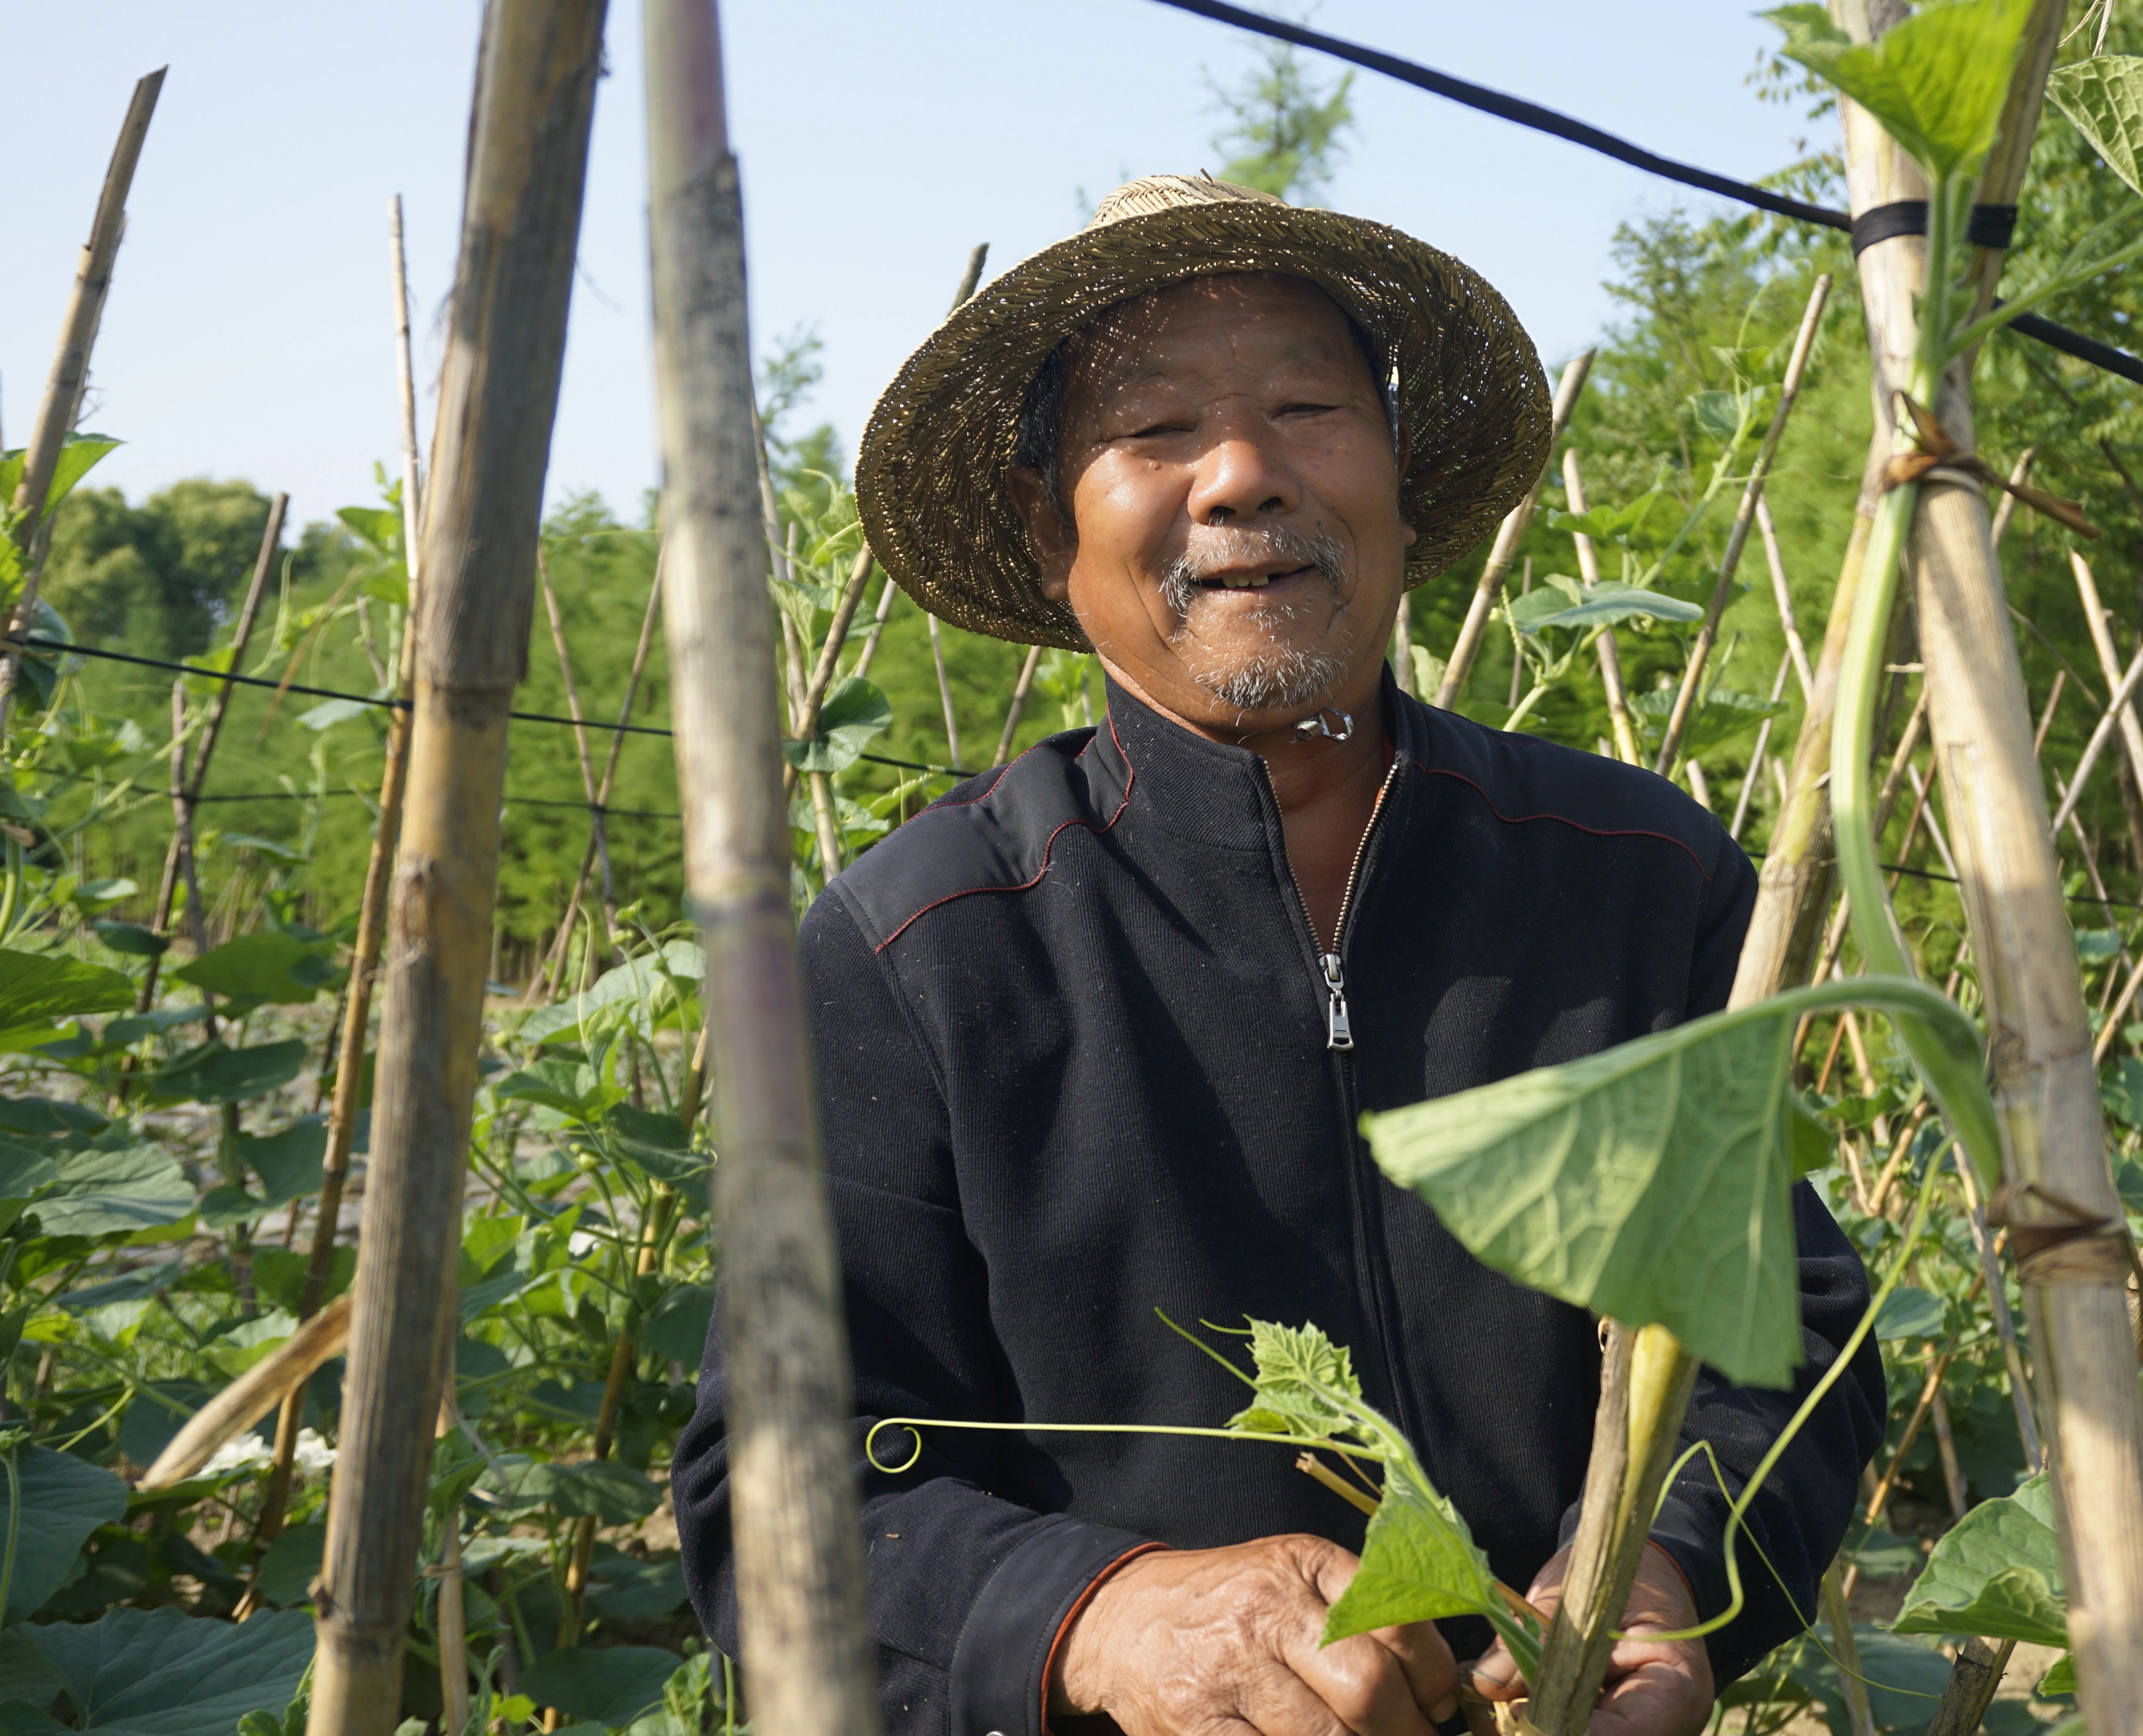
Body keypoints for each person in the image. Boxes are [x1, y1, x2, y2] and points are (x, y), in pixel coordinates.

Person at [674, 174, 1886, 1736]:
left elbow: (1788, 1329)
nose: (1243, 474)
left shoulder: (1638, 880)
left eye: (1309, 409)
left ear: (1399, 481)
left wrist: (1657, 1576)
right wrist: (1105, 1621)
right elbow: (777, 1492)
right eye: (1156, 430)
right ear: (1050, 531)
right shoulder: (916, 955)